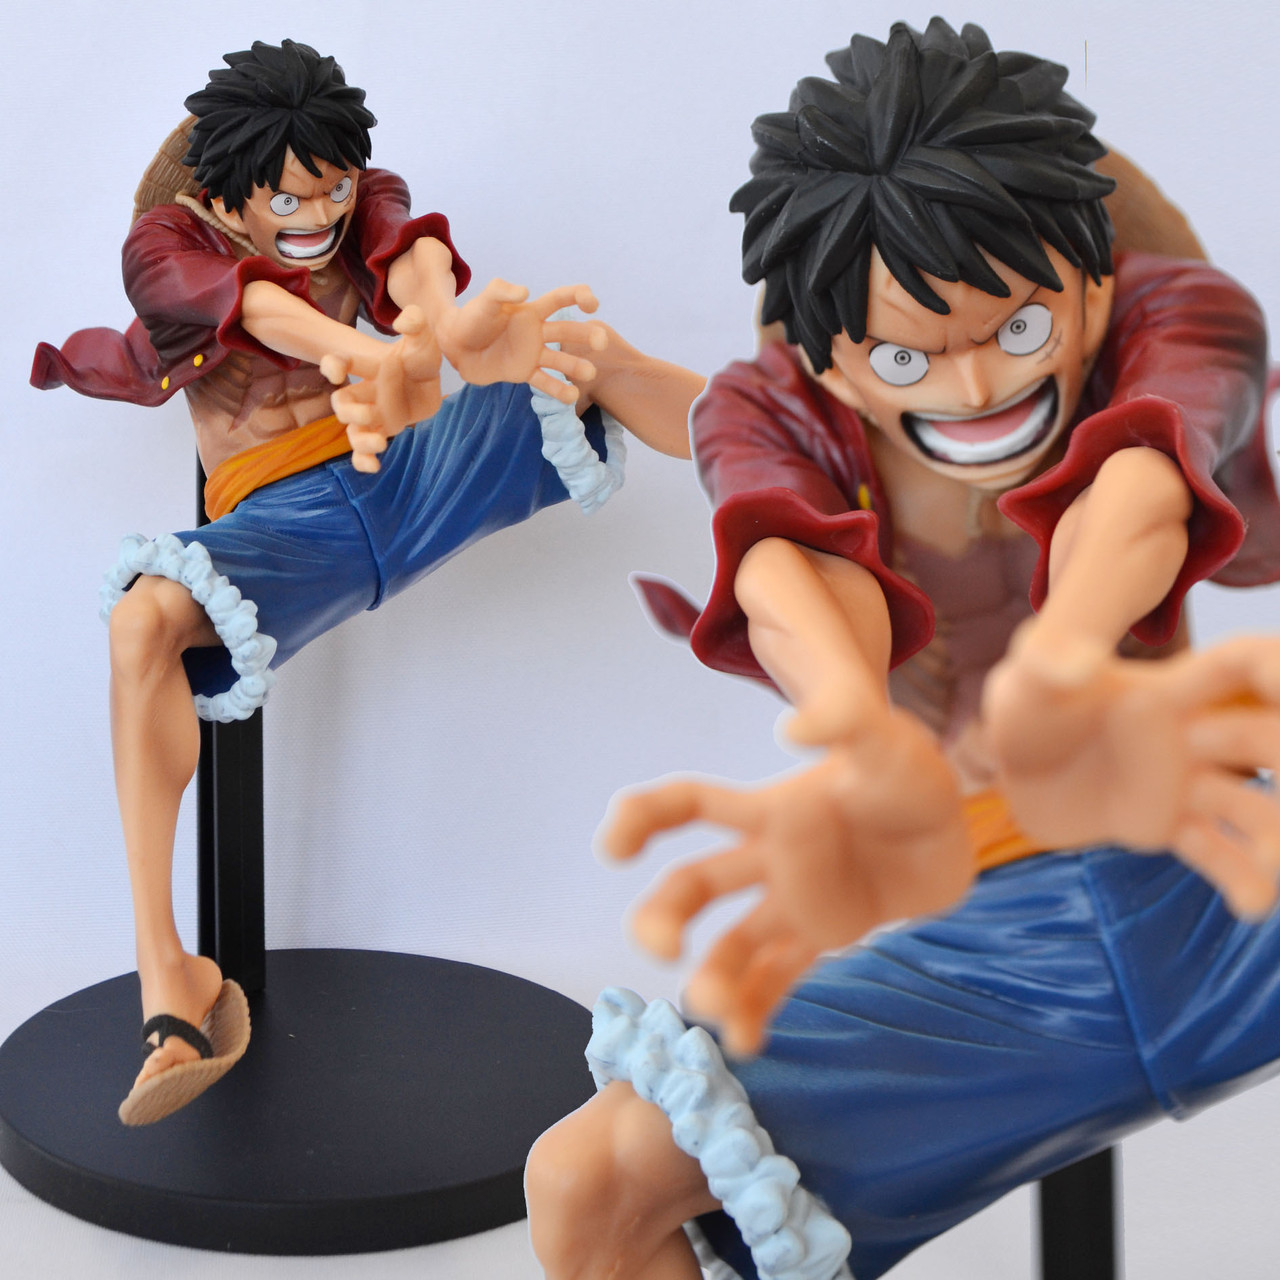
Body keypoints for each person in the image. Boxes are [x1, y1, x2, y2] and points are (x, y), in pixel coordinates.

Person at [524, 19, 1280, 1280]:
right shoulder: (776, 412)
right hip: (978, 925)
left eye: (1016, 330)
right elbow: (784, 566)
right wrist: (855, 722)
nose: (974, 386)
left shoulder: (1176, 314)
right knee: (587, 1176)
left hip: (1197, 866)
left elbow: (1141, 484)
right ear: (831, 360)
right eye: (904, 354)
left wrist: (1062, 657)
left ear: (1091, 288)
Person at [33, 38, 699, 1126]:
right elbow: (257, 308)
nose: (319, 214)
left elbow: (413, 262)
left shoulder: (364, 200)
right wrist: (370, 357)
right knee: (143, 622)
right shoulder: (166, 244)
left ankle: (794, 449)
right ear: (226, 195)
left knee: (577, 349)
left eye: (333, 189)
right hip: (285, 525)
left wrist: (446, 327)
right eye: (289, 199)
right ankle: (172, 973)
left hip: (412, 471)